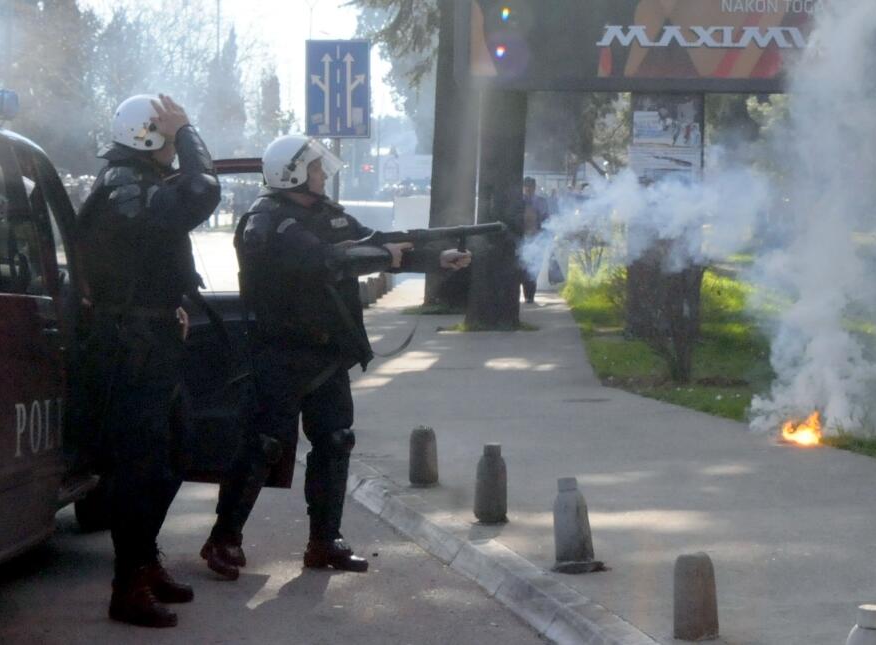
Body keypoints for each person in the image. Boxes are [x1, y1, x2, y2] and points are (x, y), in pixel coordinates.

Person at [200, 135, 471, 580]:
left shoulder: (327, 215)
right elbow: (322, 260)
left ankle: (324, 541)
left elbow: (375, 243)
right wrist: (378, 254)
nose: (323, 175)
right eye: (315, 169)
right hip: (279, 353)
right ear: (292, 173)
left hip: (326, 353)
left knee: (336, 441)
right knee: (262, 446)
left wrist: (434, 257)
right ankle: (224, 538)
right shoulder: (265, 223)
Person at [76, 94, 221, 627]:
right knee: (141, 468)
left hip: (150, 334)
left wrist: (171, 305)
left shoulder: (137, 184)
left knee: (173, 454)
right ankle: (127, 586)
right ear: (149, 136)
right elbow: (202, 190)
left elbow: (148, 256)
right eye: (165, 133)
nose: (174, 142)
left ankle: (143, 559)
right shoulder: (124, 186)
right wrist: (187, 133)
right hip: (130, 344)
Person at [520, 176, 549, 303]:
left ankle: (530, 296)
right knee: (522, 268)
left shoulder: (541, 202)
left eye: (530, 187)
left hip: (537, 239)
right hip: (522, 238)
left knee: (533, 269)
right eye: (526, 187)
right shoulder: (519, 201)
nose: (528, 189)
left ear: (534, 187)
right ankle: (525, 294)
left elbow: (546, 219)